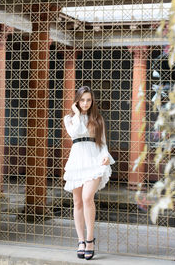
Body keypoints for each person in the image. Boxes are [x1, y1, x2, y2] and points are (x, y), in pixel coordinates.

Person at [63, 86, 115, 260]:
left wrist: (106, 156)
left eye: (89, 100)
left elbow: (102, 142)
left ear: (92, 102)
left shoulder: (98, 119)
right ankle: (80, 241)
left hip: (94, 160)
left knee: (87, 198)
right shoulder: (69, 119)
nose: (86, 103)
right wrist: (77, 115)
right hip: (77, 161)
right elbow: (74, 133)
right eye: (82, 100)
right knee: (77, 201)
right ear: (77, 101)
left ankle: (90, 239)